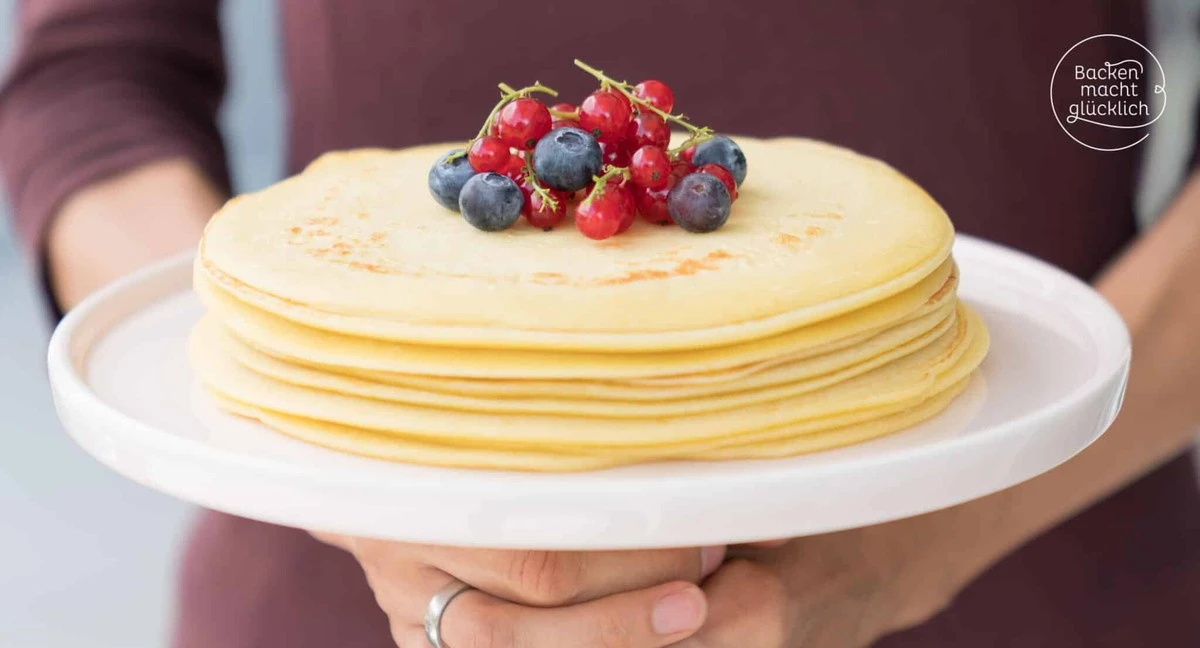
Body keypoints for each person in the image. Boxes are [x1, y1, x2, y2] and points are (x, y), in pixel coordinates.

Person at [2, 1, 1198, 646]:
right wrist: (329, 429)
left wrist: (924, 540)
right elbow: (90, 77)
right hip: (338, 606)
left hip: (1043, 575)